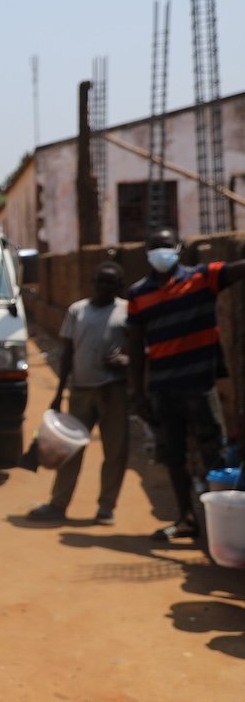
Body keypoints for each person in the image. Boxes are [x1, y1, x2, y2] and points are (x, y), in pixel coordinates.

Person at [127, 227, 245, 541]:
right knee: (174, 457)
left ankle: (220, 526)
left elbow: (236, 270)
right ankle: (187, 519)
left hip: (200, 385)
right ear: (147, 253)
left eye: (166, 246)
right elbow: (136, 345)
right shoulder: (138, 294)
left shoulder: (202, 277)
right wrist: (138, 392)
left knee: (214, 455)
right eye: (155, 247)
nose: (161, 252)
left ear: (177, 248)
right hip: (163, 389)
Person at [27, 261, 130, 525]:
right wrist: (59, 391)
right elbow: (68, 352)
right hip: (81, 391)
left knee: (115, 451)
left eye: (112, 283)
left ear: (120, 286)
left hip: (113, 391)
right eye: (101, 281)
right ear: (92, 283)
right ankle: (58, 504)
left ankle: (106, 507)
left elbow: (140, 349)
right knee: (70, 450)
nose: (105, 287)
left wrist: (125, 361)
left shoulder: (127, 312)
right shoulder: (77, 311)